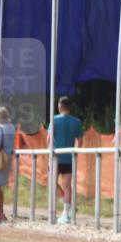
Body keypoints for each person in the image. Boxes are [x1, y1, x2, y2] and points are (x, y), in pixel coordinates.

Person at [51, 96, 83, 224]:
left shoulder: (54, 119)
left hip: (56, 157)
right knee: (67, 186)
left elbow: (49, 139)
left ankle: (66, 206)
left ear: (60, 106)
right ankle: (67, 210)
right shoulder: (76, 121)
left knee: (52, 182)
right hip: (69, 158)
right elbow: (80, 142)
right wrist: (74, 153)